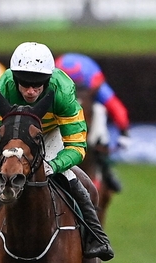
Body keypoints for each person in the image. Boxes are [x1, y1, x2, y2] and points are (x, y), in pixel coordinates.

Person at [0, 42, 114, 262]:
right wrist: (3, 161)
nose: (31, 91)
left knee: (73, 178)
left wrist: (54, 165)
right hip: (14, 136)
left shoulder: (62, 89)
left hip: (51, 133)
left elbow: (77, 146)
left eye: (38, 85)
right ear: (14, 79)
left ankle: (96, 236)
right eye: (24, 85)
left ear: (48, 79)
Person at [55, 52, 129, 192]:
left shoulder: (94, 82)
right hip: (61, 105)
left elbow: (116, 108)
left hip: (91, 105)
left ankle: (105, 170)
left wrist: (124, 131)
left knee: (100, 131)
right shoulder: (55, 79)